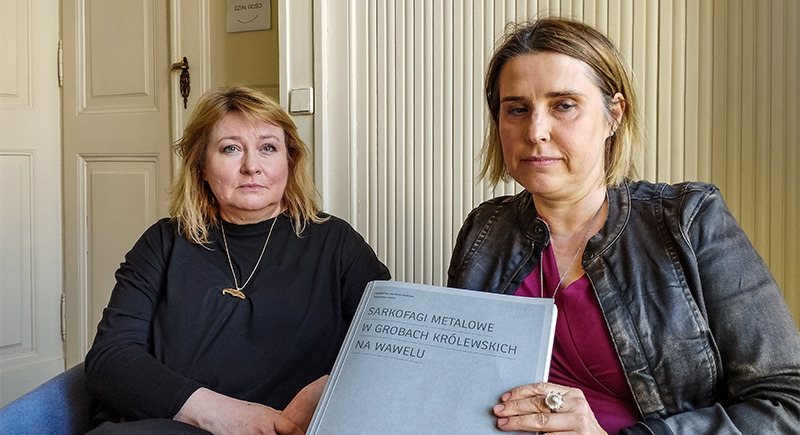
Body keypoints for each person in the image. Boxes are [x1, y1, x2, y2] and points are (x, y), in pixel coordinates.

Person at [447, 17, 800, 434]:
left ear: (614, 114)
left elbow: (787, 404)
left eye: (564, 105)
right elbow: (456, 383)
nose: (536, 131)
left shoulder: (688, 221)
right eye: (517, 109)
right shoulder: (485, 230)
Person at [84, 85, 390, 434]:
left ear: (290, 161)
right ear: (201, 166)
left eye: (268, 148)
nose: (251, 167)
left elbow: (392, 347)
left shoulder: (337, 243)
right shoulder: (163, 242)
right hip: (168, 425)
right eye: (231, 149)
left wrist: (325, 389)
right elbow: (109, 360)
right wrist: (226, 415)